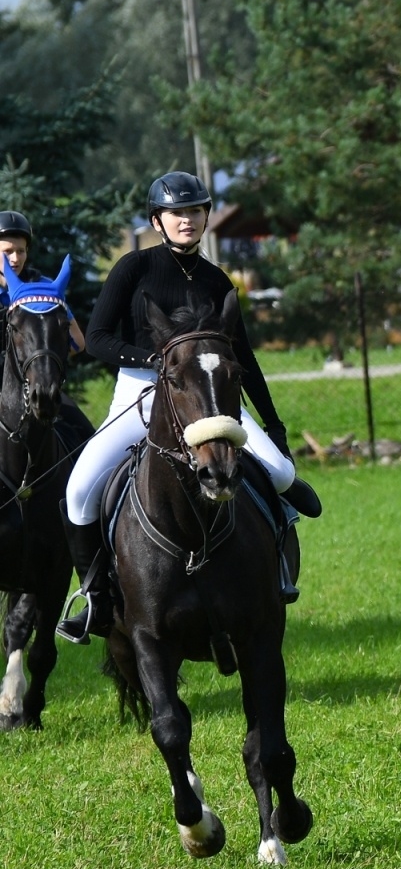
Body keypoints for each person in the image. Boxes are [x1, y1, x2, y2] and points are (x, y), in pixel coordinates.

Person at [56, 171, 320, 644]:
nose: (187, 219)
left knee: (280, 474)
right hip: (141, 394)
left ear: (205, 216)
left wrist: (274, 425)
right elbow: (96, 338)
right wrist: (153, 361)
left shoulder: (217, 280)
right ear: (157, 220)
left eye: (195, 210)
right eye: (176, 212)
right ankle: (95, 597)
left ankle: (277, 574)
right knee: (78, 491)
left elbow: (245, 359)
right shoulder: (133, 268)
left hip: (211, 396)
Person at [0, 210, 87, 353]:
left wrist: (42, 356)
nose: (15, 259)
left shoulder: (44, 288)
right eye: (8, 251)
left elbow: (77, 343)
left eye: (21, 251)